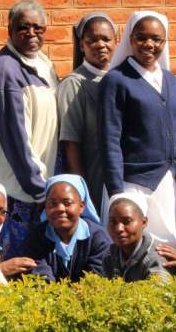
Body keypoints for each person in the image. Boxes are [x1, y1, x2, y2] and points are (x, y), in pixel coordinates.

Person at [99, 10, 176, 247]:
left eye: (156, 39)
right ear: (131, 39)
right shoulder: (116, 80)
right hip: (132, 184)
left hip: (169, 183)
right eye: (141, 37)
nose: (149, 44)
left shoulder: (170, 81)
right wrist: (117, 192)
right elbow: (110, 140)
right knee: (132, 249)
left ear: (164, 42)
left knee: (170, 248)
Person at [0, 0, 59, 258]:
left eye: (38, 28)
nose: (32, 33)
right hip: (20, 193)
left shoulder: (43, 64)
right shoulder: (4, 71)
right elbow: (16, 140)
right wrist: (40, 190)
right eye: (23, 27)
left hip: (39, 188)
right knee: (19, 269)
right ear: (10, 30)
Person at [57, 13, 117, 211]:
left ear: (116, 42)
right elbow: (70, 145)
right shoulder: (73, 84)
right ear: (81, 45)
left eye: (106, 39)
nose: (100, 45)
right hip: (93, 181)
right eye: (92, 40)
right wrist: (84, 194)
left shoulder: (120, 79)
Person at [23, 174, 111, 282]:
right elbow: (41, 279)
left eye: (67, 203)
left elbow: (95, 280)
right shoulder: (36, 237)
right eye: (52, 203)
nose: (60, 208)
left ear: (82, 206)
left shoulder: (99, 239)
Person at [102, 192, 176, 282]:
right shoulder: (110, 255)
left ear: (144, 222)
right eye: (113, 222)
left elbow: (158, 294)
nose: (119, 229)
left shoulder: (156, 258)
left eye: (127, 222)